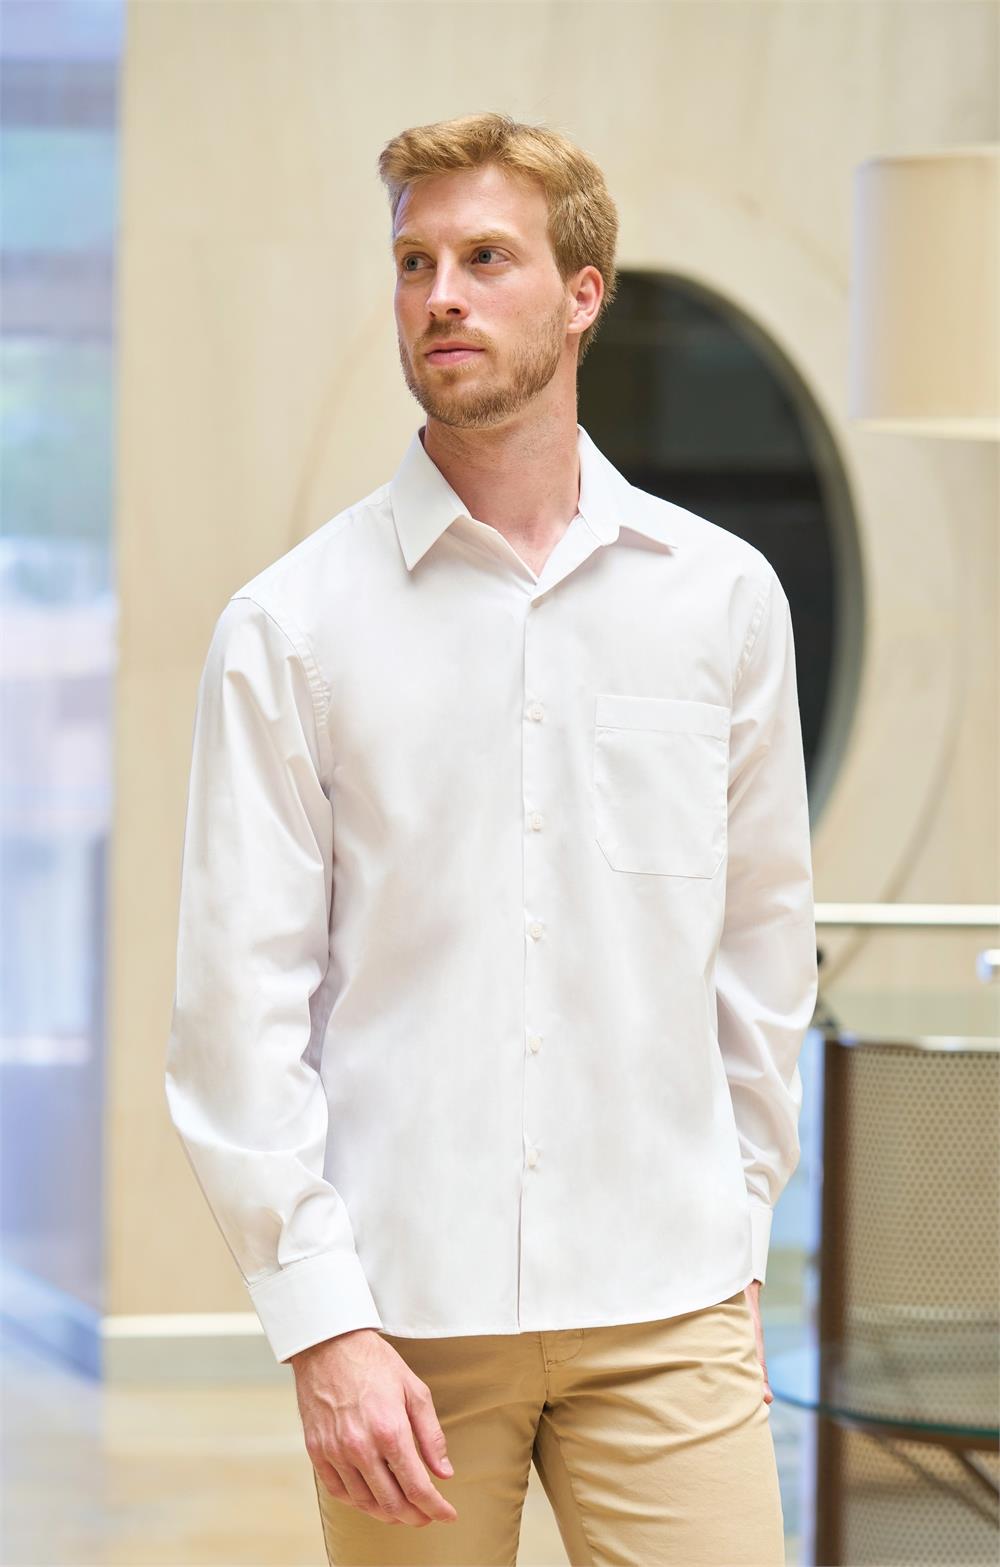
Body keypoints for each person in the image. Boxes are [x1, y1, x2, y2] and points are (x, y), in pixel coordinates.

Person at [165, 110, 818, 1567]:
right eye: (415, 263)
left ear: (583, 295)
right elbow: (237, 1014)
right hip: (403, 1322)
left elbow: (766, 947)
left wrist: (736, 1224)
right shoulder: (291, 626)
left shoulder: (722, 600)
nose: (440, 296)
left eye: (484, 259)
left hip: (670, 1306)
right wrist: (322, 1325)